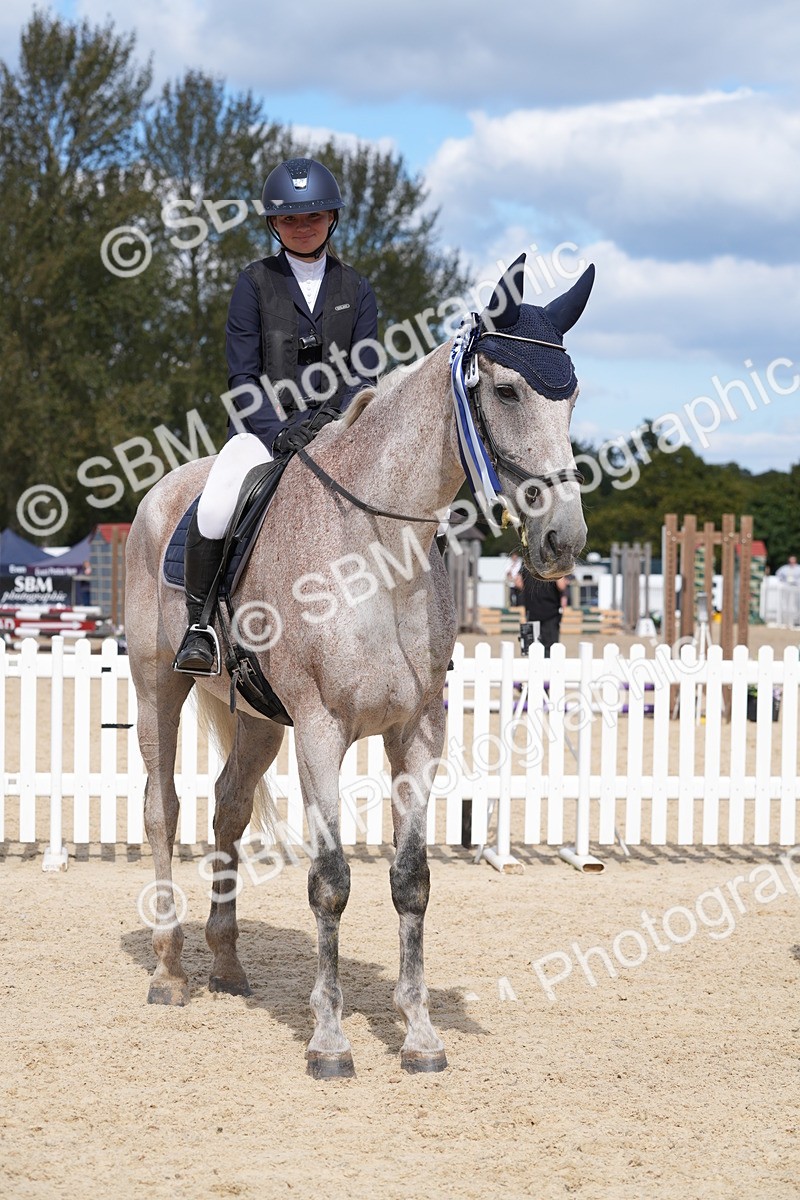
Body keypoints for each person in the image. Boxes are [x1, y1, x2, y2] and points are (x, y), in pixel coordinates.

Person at [174, 157, 379, 674]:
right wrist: (280, 429)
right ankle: (199, 626)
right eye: (289, 219)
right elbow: (241, 376)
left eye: (312, 217)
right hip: (260, 435)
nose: (302, 227)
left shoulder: (356, 289)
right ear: (273, 224)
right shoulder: (254, 283)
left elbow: (365, 373)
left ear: (332, 217)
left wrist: (331, 423)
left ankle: (418, 625)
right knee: (218, 504)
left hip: (339, 435)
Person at [521, 570, 569, 657]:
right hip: (550, 612)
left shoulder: (527, 563)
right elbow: (561, 586)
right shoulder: (552, 564)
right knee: (550, 647)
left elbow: (519, 583)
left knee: (531, 648)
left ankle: (534, 668)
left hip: (531, 610)